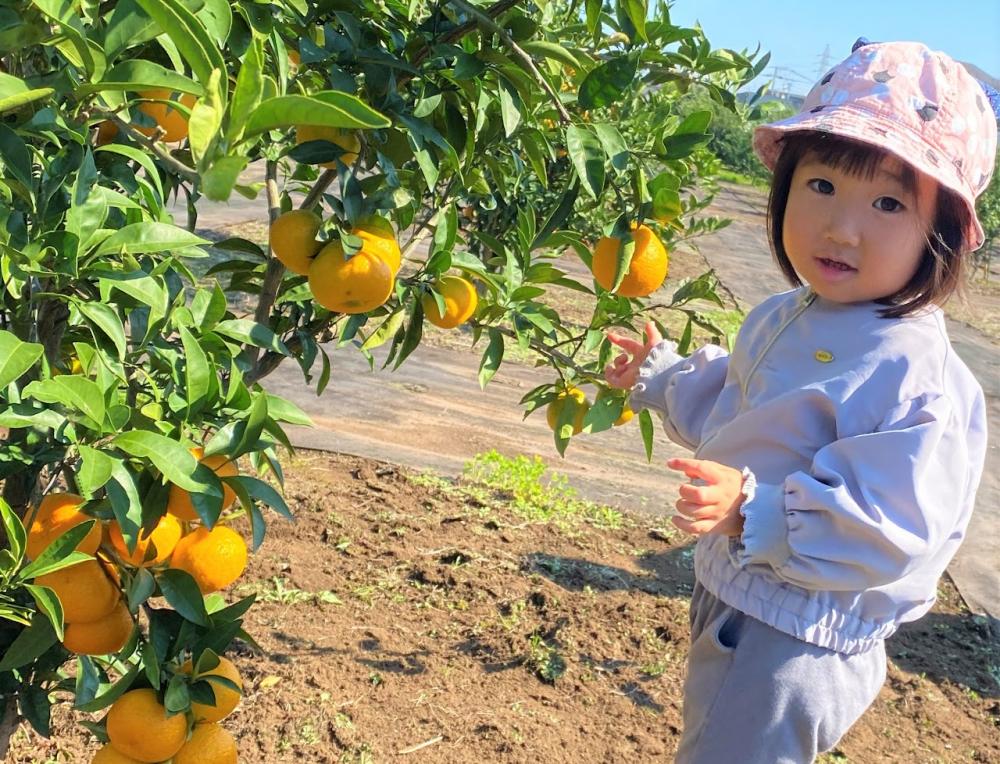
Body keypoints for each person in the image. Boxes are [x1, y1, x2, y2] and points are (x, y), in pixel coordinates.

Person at [605, 39, 998, 763]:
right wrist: (660, 376)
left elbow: (894, 523)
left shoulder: (912, 372)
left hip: (796, 638)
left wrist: (756, 511)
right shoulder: (789, 313)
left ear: (940, 235)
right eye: (821, 185)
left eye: (888, 203)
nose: (841, 227)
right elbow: (744, 403)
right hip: (741, 592)